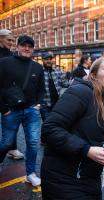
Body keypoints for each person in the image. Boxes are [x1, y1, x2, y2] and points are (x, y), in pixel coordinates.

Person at [41, 56, 104, 199]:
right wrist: (86, 150)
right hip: (64, 179)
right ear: (93, 75)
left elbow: (102, 143)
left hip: (89, 179)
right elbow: (49, 129)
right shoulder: (81, 91)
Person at [0, 35, 45, 185]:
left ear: (33, 49)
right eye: (24, 45)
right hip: (10, 112)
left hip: (31, 111)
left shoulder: (38, 67)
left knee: (32, 143)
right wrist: (3, 109)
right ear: (17, 47)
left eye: (30, 46)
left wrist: (37, 105)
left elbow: (41, 90)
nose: (27, 48)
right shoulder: (4, 63)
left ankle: (30, 173)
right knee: (6, 143)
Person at [0, 29, 24, 160]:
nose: (11, 43)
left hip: (9, 97)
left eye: (12, 40)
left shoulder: (11, 55)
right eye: (9, 40)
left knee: (11, 123)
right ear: (0, 39)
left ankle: (12, 149)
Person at [40, 52, 69, 121]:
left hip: (57, 104)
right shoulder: (39, 72)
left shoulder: (58, 71)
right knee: (47, 124)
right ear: (43, 60)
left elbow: (66, 84)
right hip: (45, 105)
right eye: (46, 59)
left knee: (57, 122)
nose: (48, 61)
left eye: (50, 59)